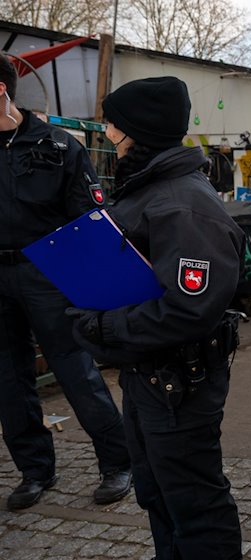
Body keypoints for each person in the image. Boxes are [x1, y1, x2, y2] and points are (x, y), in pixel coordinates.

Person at [67, 76, 245, 559]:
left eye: (114, 127)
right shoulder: (153, 190)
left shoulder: (183, 205)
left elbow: (188, 307)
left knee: (195, 507)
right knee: (159, 496)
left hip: (179, 384)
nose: (108, 136)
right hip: (151, 378)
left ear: (139, 132)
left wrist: (104, 327)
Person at [0, 55, 132, 510]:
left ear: (0, 91)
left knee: (75, 369)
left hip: (48, 272)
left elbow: (89, 218)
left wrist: (107, 292)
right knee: (8, 380)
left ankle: (118, 462)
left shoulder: (57, 147)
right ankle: (35, 471)